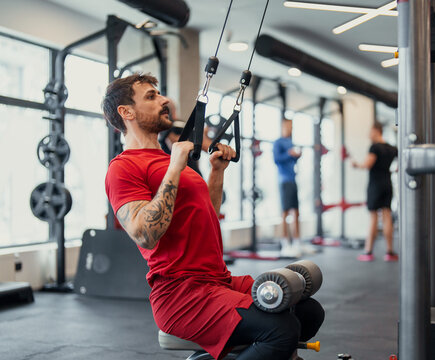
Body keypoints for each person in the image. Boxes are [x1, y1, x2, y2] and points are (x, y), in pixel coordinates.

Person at [102, 73, 324, 360]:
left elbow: (205, 211)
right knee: (280, 330)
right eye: (151, 96)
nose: (164, 100)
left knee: (308, 312)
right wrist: (175, 166)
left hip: (216, 281)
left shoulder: (169, 159)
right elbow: (144, 233)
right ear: (126, 112)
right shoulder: (124, 167)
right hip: (181, 295)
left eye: (159, 93)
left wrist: (216, 173)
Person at [352, 122, 398, 262]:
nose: (368, 135)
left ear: (376, 131)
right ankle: (389, 252)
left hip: (375, 185)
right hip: (387, 184)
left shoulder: (375, 147)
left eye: (370, 132)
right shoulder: (391, 148)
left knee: (373, 217)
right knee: (387, 216)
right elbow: (400, 165)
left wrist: (356, 164)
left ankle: (368, 251)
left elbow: (367, 164)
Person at [273, 118, 304, 258]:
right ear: (282, 126)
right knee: (285, 212)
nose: (290, 129)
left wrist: (297, 156)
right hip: (284, 180)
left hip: (292, 179)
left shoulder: (290, 142)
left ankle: (297, 242)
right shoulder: (278, 142)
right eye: (288, 126)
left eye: (291, 126)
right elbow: (277, 159)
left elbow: (292, 159)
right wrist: (289, 154)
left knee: (296, 211)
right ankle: (285, 243)